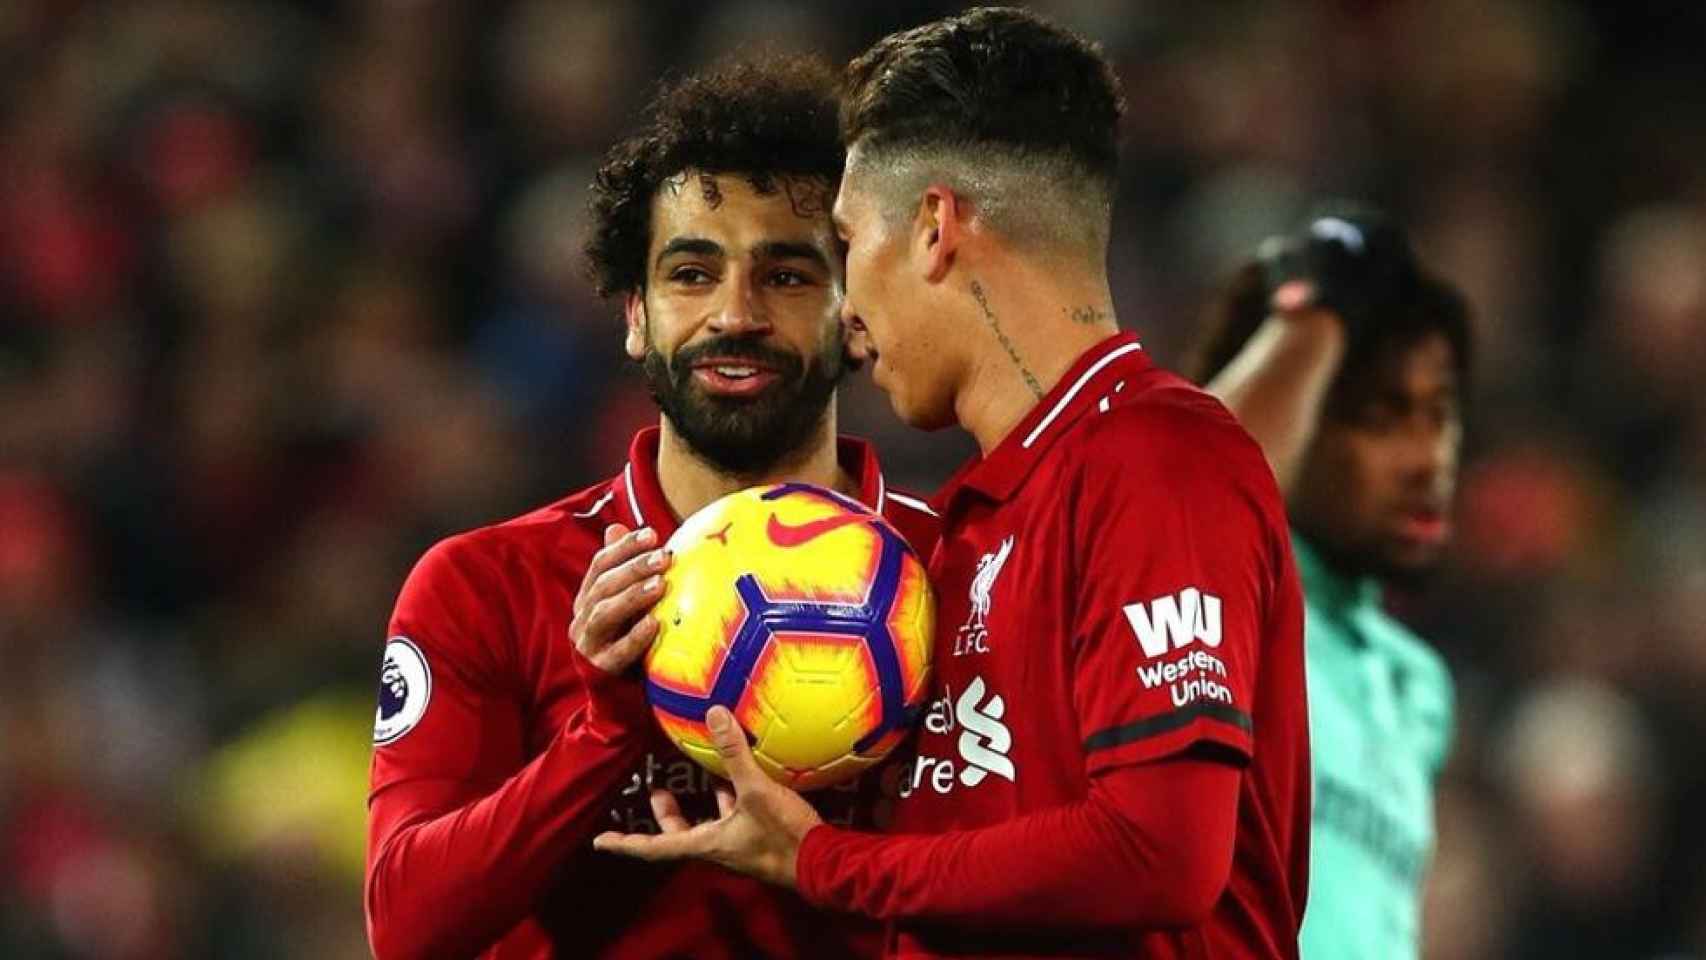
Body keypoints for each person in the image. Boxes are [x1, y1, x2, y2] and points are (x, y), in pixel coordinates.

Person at [593, 9, 1311, 959]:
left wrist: (828, 864)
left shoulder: (1157, 462)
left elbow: (1159, 851)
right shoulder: (964, 530)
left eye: (849, 246)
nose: (845, 310)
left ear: (934, 228)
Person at [362, 58, 938, 960]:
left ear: (856, 312)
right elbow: (406, 925)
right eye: (691, 274)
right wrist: (603, 734)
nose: (734, 315)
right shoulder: (487, 583)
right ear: (635, 314)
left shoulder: (961, 567)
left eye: (786, 276)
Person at [1190, 211, 1472, 960]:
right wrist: (1312, 324)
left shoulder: (1419, 688)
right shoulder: (1222, 619)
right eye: (1383, 417)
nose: (1429, 459)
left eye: (1441, 415)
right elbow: (1177, 502)